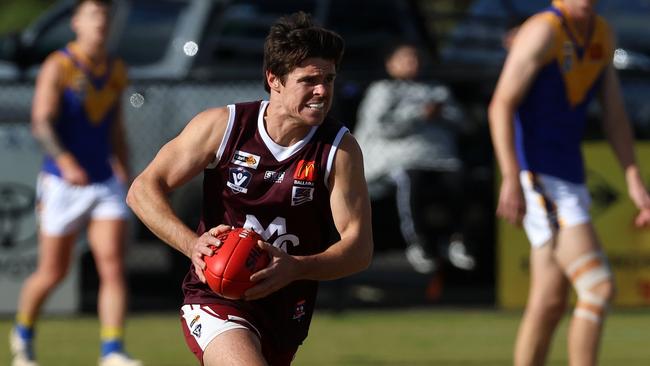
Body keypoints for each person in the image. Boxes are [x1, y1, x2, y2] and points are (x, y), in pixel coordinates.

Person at [126, 11, 373, 366]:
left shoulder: (338, 149)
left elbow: (359, 248)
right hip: (216, 298)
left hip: (285, 309)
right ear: (274, 79)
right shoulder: (224, 127)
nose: (322, 91)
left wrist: (297, 267)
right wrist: (193, 245)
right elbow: (143, 190)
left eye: (329, 79)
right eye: (309, 80)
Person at [488, 1, 650, 365]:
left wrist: (634, 179)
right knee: (598, 288)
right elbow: (501, 104)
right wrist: (512, 177)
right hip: (538, 175)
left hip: (569, 175)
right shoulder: (544, 30)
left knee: (549, 303)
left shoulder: (603, 34)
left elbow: (615, 115)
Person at [9, 1, 142, 366]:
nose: (101, 23)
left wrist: (125, 170)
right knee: (54, 270)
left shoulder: (116, 69)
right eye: (94, 15)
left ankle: (112, 350)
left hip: (103, 182)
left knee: (113, 265)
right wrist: (66, 162)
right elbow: (41, 121)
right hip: (61, 182)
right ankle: (23, 333)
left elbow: (116, 129)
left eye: (106, 16)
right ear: (76, 22)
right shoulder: (59, 65)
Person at [354, 41, 475, 276]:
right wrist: (419, 114)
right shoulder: (382, 90)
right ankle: (419, 243)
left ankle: (458, 240)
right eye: (406, 58)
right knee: (411, 179)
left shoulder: (438, 91)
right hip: (398, 159)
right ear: (391, 65)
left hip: (441, 159)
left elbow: (465, 123)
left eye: (417, 58)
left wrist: (443, 114)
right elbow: (378, 127)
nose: (414, 63)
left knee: (460, 180)